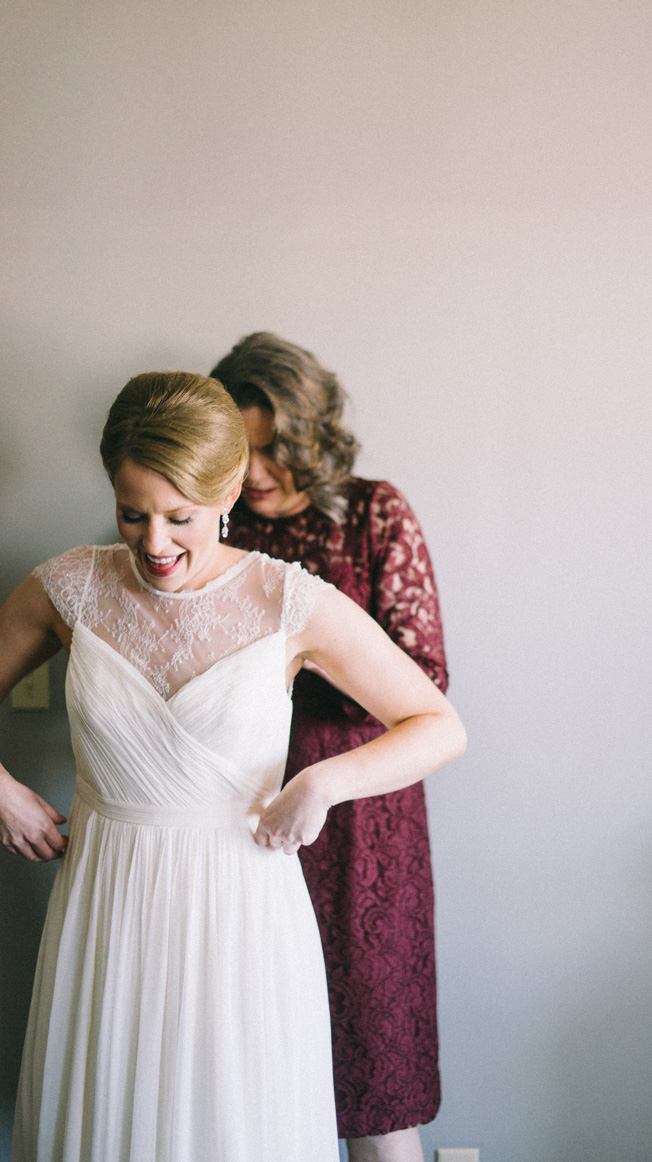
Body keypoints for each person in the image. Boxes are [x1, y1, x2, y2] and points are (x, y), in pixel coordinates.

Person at [0, 372, 466, 1162]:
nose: (153, 543)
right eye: (132, 513)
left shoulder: (290, 603)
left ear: (227, 497)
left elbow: (438, 725)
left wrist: (325, 782)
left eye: (180, 518)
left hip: (242, 912)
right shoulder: (70, 586)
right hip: (107, 907)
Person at [210, 333, 451, 1162]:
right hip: (234, 809)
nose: (261, 471)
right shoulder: (208, 528)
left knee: (371, 1070)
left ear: (313, 433)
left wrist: (315, 662)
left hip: (359, 816)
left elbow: (425, 680)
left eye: (275, 447)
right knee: (244, 1067)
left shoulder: (375, 512)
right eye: (241, 453)